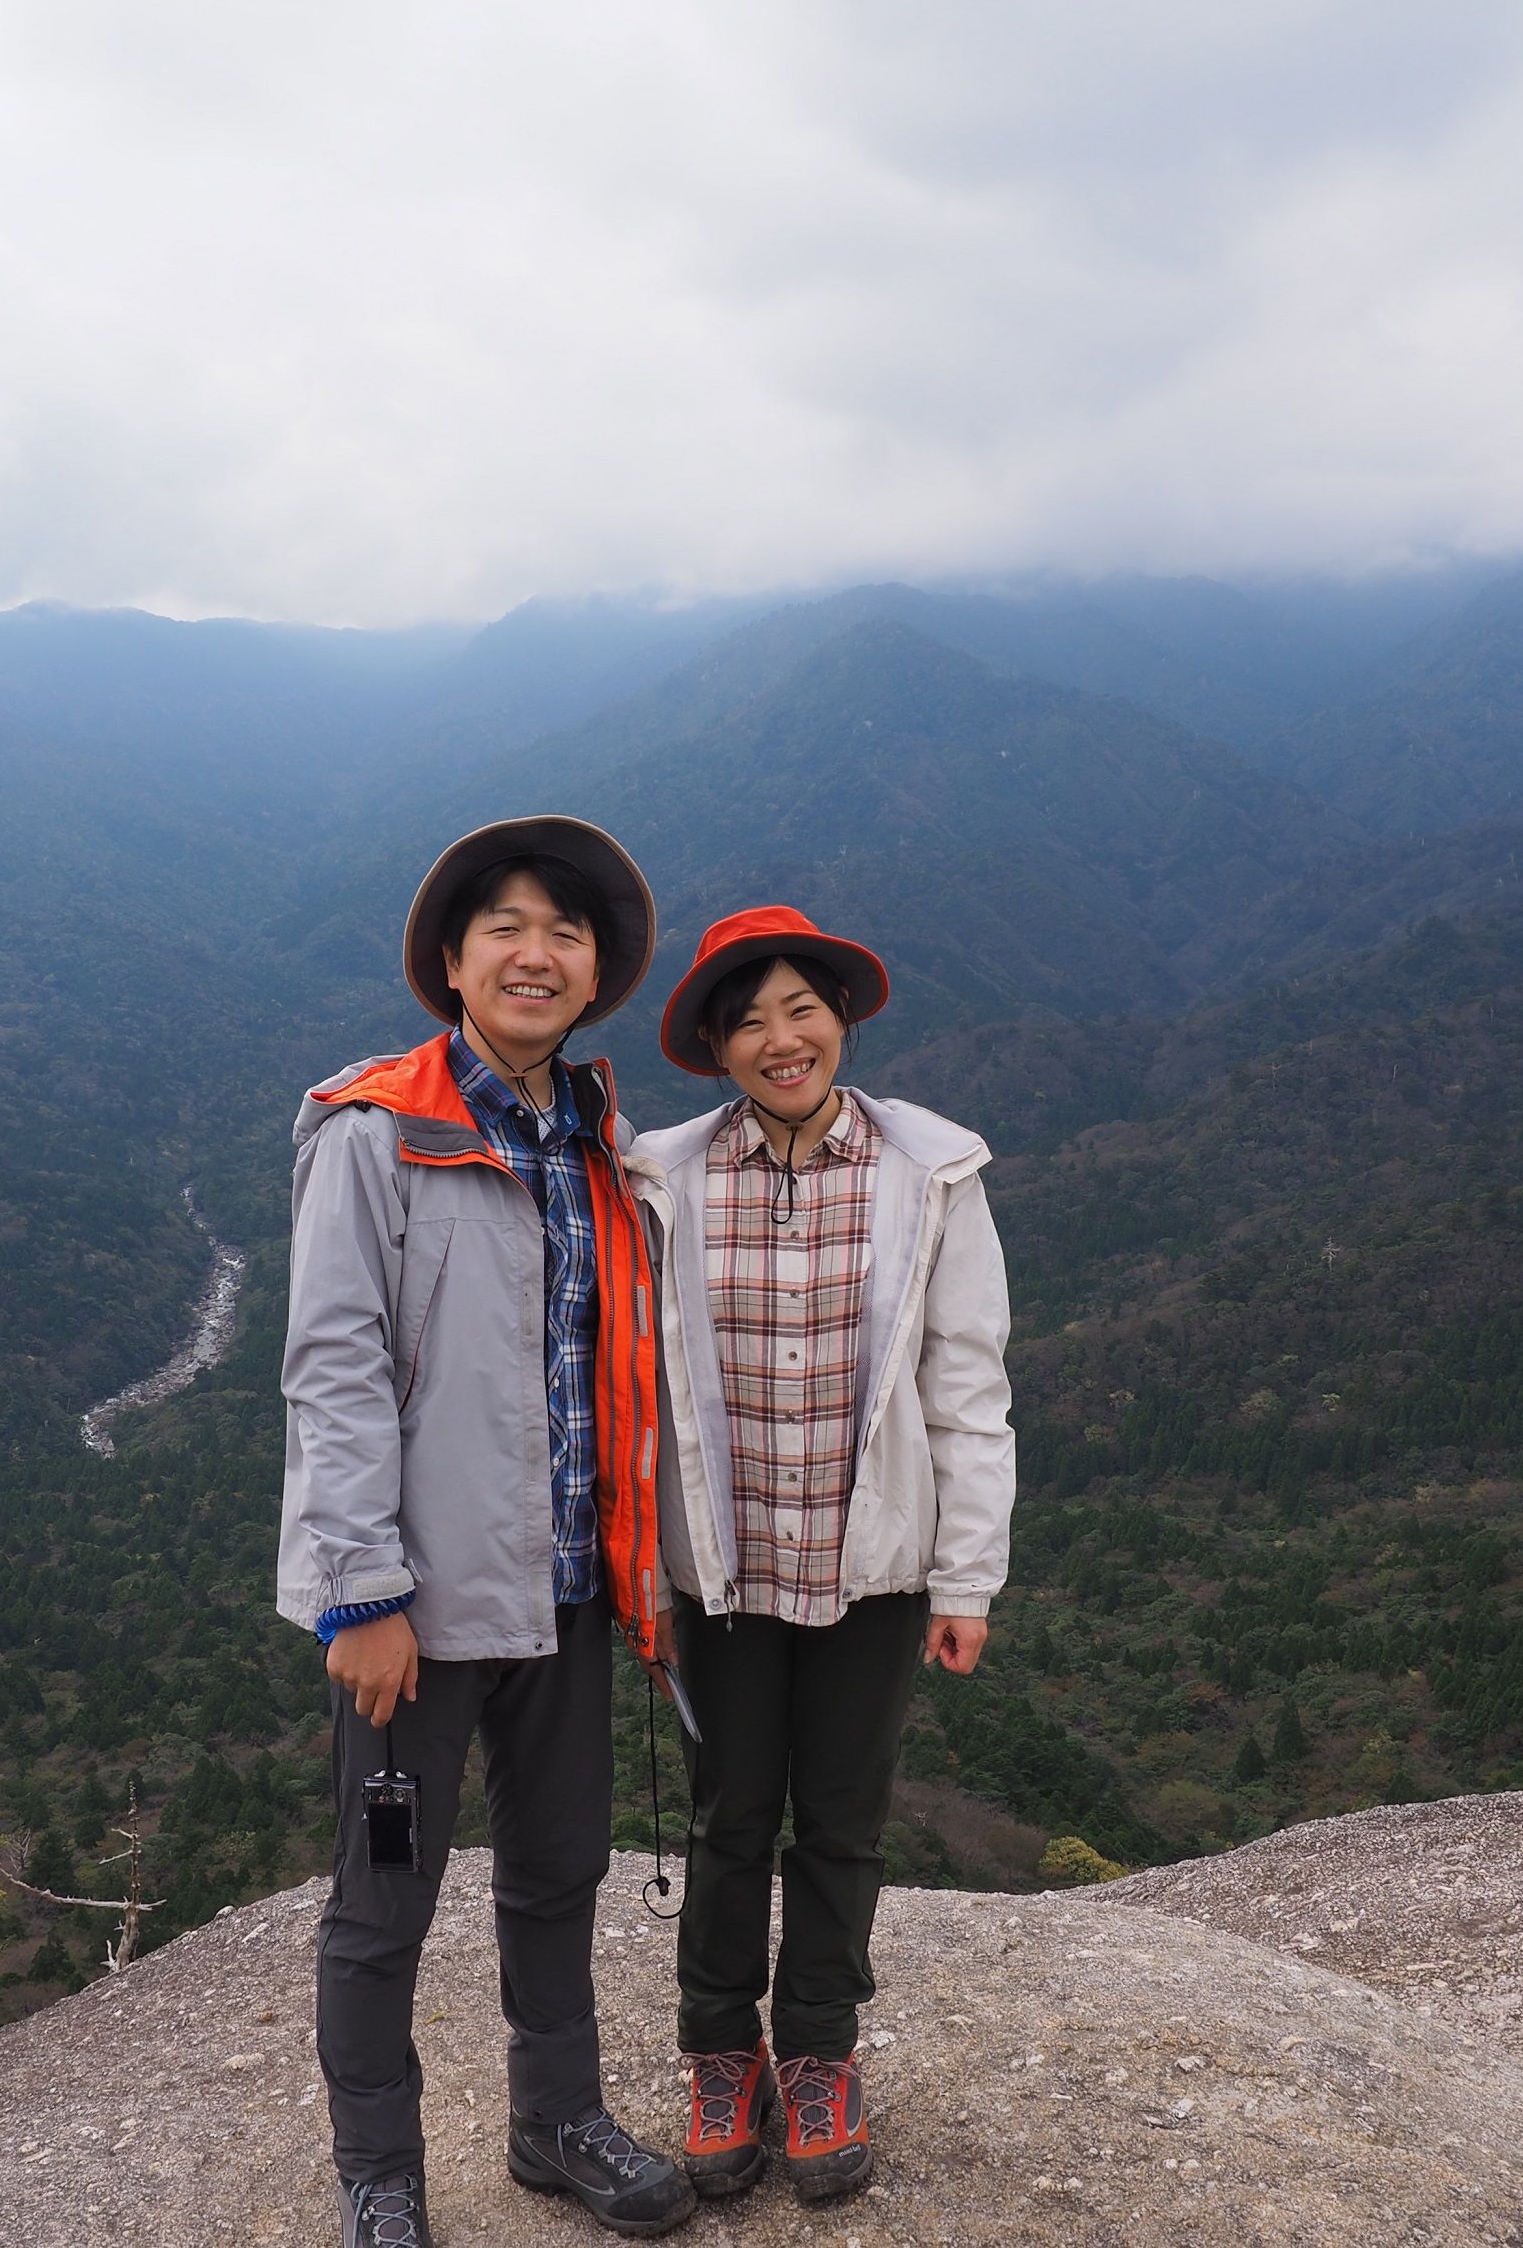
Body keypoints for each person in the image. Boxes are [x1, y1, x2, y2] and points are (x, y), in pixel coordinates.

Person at [277, 816, 698, 2248]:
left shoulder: (601, 1142)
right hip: (423, 1597)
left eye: (565, 932)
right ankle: (380, 2174)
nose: (537, 951)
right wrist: (361, 1590)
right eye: (505, 926)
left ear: (594, 974)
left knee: (557, 1871)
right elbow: (334, 1365)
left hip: (572, 1589)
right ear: (452, 962)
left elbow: (620, 1373)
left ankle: (553, 2118)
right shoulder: (377, 1129)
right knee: (383, 1900)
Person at [625, 905, 1015, 2207]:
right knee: (730, 1817)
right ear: (717, 1045)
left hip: (872, 1571)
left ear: (840, 1017)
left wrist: (967, 1576)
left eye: (801, 1008)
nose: (780, 1037)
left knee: (842, 1823)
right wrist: (633, 1568)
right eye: (748, 1018)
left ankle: (822, 2056)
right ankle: (720, 2057)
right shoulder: (664, 1179)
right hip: (723, 1573)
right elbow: (630, 1389)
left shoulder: (929, 1174)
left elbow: (968, 1384)